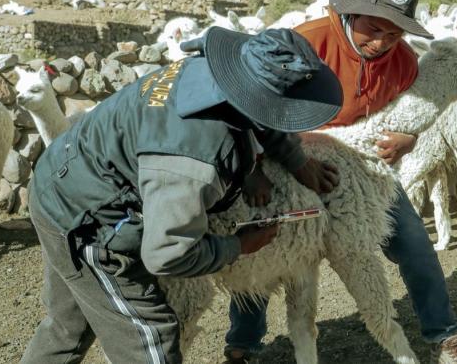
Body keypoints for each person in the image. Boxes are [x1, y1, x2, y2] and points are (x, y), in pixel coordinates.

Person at [20, 27, 344, 364]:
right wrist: (238, 246)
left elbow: (258, 111)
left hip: (60, 179)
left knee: (67, 329)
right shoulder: (191, 161)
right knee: (151, 340)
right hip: (89, 223)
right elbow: (166, 253)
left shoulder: (208, 71)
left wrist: (295, 159)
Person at [224, 0, 457, 364]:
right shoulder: (307, 42)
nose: (381, 42)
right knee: (267, 244)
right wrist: (255, 168)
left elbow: (405, 115)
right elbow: (254, 104)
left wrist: (410, 139)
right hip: (288, 162)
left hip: (360, 170)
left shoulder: (404, 62)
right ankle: (244, 344)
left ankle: (444, 335)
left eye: (393, 34)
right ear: (353, 14)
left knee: (413, 242)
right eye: (373, 29)